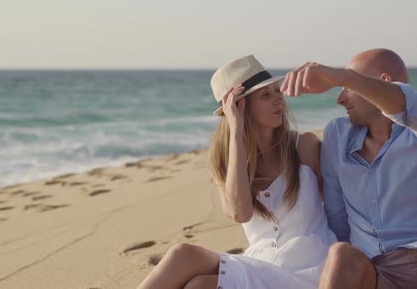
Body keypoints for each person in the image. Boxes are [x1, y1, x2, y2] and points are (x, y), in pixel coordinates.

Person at [281, 48, 417, 289]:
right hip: (377, 275)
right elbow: (337, 220)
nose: (340, 98)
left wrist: (341, 76)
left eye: (348, 87)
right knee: (340, 254)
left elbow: (404, 105)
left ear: (382, 83)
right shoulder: (337, 134)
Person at [137, 54, 336, 289]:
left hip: (310, 266)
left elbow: (337, 210)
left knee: (189, 265)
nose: (278, 100)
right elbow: (239, 212)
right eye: (265, 95)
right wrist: (236, 134)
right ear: (240, 107)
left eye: (277, 91)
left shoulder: (304, 146)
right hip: (261, 263)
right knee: (194, 278)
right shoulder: (227, 160)